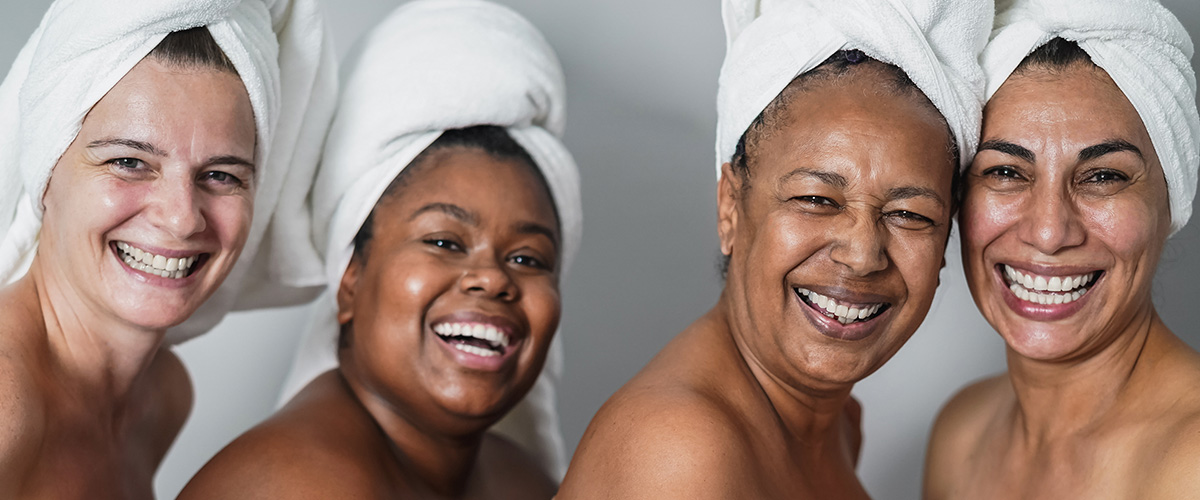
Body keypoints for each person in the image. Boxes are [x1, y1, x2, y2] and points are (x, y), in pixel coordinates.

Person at [556, 0, 988, 498]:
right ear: (729, 207)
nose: (863, 253)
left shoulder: (837, 425)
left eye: (910, 215)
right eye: (816, 199)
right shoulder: (680, 451)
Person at [178, 1, 582, 497]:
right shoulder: (288, 486)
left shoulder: (522, 482)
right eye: (444, 242)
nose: (494, 277)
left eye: (528, 259)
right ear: (350, 278)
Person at [0, 0, 334, 497]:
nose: (181, 218)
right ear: (46, 173)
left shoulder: (163, 396)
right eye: (129, 162)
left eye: (221, 175)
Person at [925, 0, 1200, 498]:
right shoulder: (960, 433)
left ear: (1171, 198)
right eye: (1006, 172)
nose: (1049, 232)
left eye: (1103, 176)